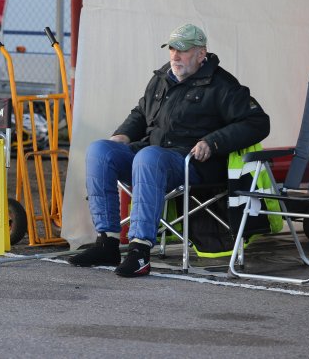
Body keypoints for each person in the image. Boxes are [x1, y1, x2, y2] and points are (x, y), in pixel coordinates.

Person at [68, 23, 270, 277]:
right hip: (151, 155)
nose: (175, 56)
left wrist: (213, 141)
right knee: (100, 151)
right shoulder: (162, 77)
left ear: (201, 54)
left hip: (193, 164)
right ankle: (107, 242)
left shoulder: (222, 84)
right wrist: (123, 134)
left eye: (183, 50)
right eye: (172, 49)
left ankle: (139, 251)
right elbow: (141, 113)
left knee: (148, 157)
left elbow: (258, 122)